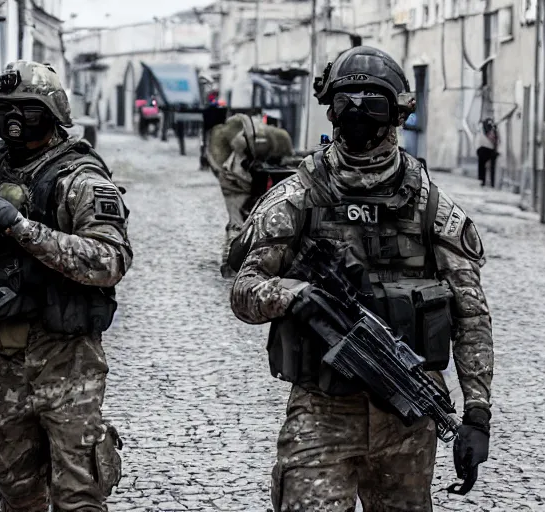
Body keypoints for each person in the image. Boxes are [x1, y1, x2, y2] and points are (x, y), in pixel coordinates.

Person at [229, 46, 494, 511]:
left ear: (396, 113)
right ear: (330, 109)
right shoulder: (297, 198)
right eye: (346, 102)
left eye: (371, 103)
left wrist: (477, 413)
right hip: (322, 412)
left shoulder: (433, 208)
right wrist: (294, 295)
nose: (355, 114)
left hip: (407, 418)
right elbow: (244, 291)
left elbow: (470, 313)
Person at [0, 60, 132, 512]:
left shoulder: (81, 179)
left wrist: (20, 227)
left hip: (68, 356)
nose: (15, 120)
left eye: (27, 108)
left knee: (78, 492)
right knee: (15, 486)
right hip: (6, 357)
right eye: (5, 109)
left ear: (52, 113)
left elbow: (110, 260)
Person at [206, 113, 295, 277]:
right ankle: (233, 261)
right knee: (239, 222)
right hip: (240, 179)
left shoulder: (231, 133)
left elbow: (219, 161)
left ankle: (231, 262)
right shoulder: (273, 137)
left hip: (235, 179)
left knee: (236, 221)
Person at [476, 118, 499, 187]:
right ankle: (492, 183)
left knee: (482, 166)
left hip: (481, 148)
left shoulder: (481, 128)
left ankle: (482, 181)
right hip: (489, 149)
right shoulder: (491, 129)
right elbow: (494, 139)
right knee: (492, 167)